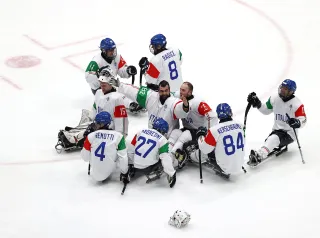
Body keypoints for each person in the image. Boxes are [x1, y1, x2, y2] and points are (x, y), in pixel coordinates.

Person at [55, 67, 129, 152]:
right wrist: (90, 124)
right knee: (87, 117)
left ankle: (74, 139)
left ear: (111, 83)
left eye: (104, 85)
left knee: (88, 131)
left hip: (110, 131)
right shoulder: (98, 93)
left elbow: (122, 126)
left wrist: (118, 141)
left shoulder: (117, 98)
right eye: (101, 84)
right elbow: (94, 111)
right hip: (99, 125)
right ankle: (75, 133)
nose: (102, 87)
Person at [247, 79, 307, 166]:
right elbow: (266, 110)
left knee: (273, 139)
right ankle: (267, 148)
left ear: (291, 91)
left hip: (289, 134)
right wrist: (258, 104)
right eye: (282, 87)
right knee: (271, 139)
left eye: (285, 89)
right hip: (276, 131)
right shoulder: (274, 98)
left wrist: (298, 122)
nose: (282, 90)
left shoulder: (297, 104)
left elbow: (303, 119)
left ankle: (259, 155)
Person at [115, 79, 190, 138]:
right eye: (161, 91)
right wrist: (120, 85)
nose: (164, 93)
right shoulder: (151, 97)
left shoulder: (174, 102)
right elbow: (134, 92)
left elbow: (181, 111)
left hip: (167, 140)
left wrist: (185, 106)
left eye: (166, 91)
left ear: (169, 90)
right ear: (158, 91)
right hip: (151, 136)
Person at [85, 37, 142, 113]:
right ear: (104, 51)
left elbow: (122, 69)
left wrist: (128, 70)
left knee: (124, 87)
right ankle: (130, 104)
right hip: (100, 87)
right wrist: (98, 74)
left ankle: (141, 97)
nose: (113, 52)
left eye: (113, 49)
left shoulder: (117, 57)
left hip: (112, 82)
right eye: (110, 50)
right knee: (115, 95)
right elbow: (87, 76)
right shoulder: (96, 61)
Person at [168, 82, 219, 168]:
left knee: (183, 137)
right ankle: (167, 153)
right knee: (175, 132)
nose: (181, 92)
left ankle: (174, 157)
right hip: (187, 128)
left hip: (198, 132)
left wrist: (208, 133)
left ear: (190, 92)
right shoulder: (178, 96)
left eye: (183, 90)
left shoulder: (198, 103)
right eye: (180, 89)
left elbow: (212, 116)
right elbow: (169, 93)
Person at [196, 103, 245, 177]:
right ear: (230, 112)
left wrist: (201, 135)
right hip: (240, 164)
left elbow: (204, 149)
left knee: (208, 148)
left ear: (218, 115)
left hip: (225, 168)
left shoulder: (214, 130)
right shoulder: (241, 125)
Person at [80, 111, 130, 184]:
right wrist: (124, 173)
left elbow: (85, 158)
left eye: (97, 123)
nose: (95, 125)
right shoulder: (118, 136)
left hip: (95, 173)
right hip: (111, 170)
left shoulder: (90, 136)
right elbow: (123, 157)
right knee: (125, 147)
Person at [127, 118, 176, 187]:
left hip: (134, 164)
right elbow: (165, 158)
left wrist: (129, 164)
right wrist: (172, 173)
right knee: (165, 155)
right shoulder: (162, 139)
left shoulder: (140, 131)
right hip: (148, 168)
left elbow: (131, 147)